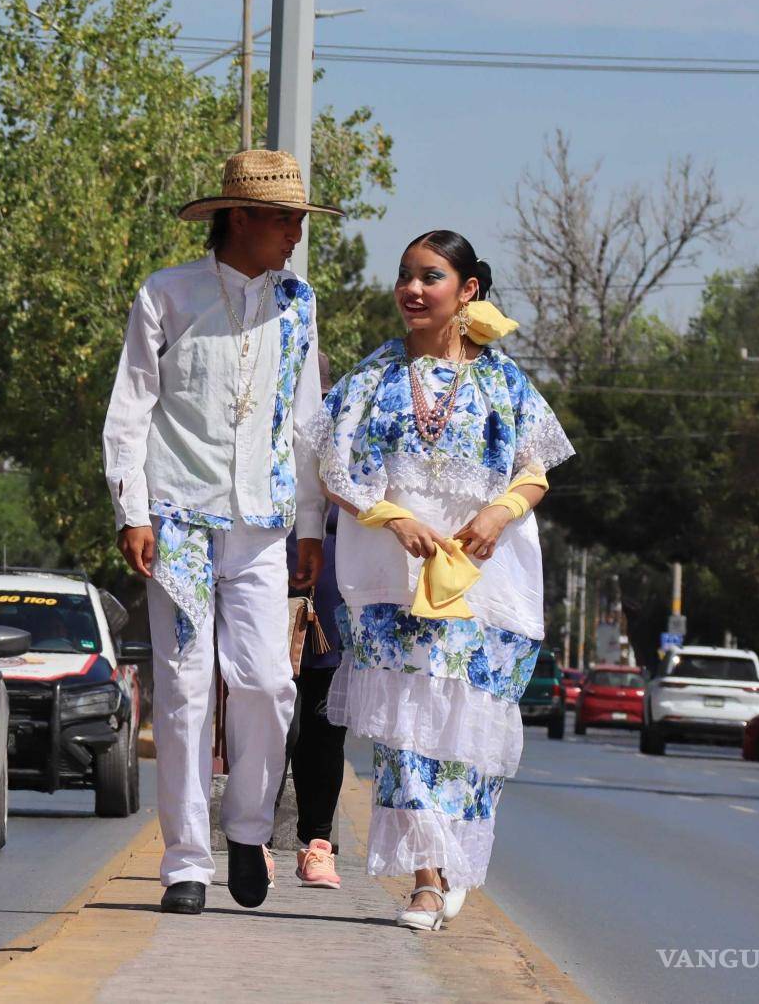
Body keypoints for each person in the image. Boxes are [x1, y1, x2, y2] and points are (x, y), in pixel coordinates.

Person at [316, 229, 572, 931]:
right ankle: (426, 881)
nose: (412, 289)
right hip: (394, 580)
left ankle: (455, 860)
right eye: (404, 275)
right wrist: (393, 517)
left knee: (469, 727)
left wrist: (499, 511)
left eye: (430, 276)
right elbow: (334, 471)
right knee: (404, 729)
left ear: (468, 291)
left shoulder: (503, 379)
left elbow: (535, 466)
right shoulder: (370, 379)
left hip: (484, 580)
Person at [102, 149, 335, 915]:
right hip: (178, 518)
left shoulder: (299, 302)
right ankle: (186, 863)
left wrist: (311, 523)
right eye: (287, 220)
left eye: (301, 219)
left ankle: (247, 826)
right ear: (243, 218)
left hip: (264, 524)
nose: (298, 233)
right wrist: (131, 507)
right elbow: (131, 407)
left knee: (269, 682)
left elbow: (306, 422)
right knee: (185, 691)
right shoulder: (167, 295)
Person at [284, 498, 346, 890]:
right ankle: (254, 842)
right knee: (274, 728)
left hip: (333, 614)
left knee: (324, 732)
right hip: (270, 597)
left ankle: (316, 845)